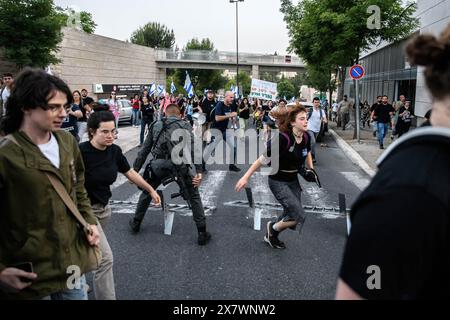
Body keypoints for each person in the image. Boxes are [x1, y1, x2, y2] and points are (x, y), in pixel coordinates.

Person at [336, 24, 450, 300]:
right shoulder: (408, 193)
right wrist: (374, 119)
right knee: (382, 133)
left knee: (384, 133)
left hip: (392, 127)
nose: (391, 99)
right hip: (387, 129)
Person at [0, 68, 100, 300]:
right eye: (53, 107)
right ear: (26, 107)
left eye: (65, 106)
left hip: (72, 265)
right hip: (29, 273)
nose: (63, 113)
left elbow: (78, 189)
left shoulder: (67, 142)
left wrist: (89, 221)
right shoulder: (6, 155)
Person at [80, 110, 160, 300]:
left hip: (103, 209)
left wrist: (150, 189)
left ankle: (78, 283)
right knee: (105, 259)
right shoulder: (80, 152)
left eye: (113, 131)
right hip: (83, 212)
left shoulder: (114, 151)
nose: (110, 136)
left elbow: (130, 173)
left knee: (85, 249)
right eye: (105, 132)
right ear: (92, 131)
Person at [235, 104, 316, 249]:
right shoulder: (283, 139)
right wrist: (246, 177)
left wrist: (311, 170)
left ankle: (271, 236)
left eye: (306, 118)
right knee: (299, 216)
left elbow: (307, 151)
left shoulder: (306, 137)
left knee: (290, 213)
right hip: (278, 181)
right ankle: (272, 228)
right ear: (292, 122)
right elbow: (263, 159)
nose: (306, 121)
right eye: (302, 119)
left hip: (293, 180)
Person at [129, 104, 211, 246]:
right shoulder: (185, 125)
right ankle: (202, 232)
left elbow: (144, 150)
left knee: (148, 191)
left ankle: (136, 222)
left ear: (165, 114)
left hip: (158, 166)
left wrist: (134, 170)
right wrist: (199, 171)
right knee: (194, 196)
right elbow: (194, 150)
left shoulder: (156, 124)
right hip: (180, 166)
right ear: (180, 114)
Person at [214, 91, 241, 172]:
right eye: (231, 97)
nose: (232, 99)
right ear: (226, 97)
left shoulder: (230, 105)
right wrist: (230, 115)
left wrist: (234, 123)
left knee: (234, 147)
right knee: (210, 149)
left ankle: (231, 166)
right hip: (216, 130)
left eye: (233, 97)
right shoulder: (220, 104)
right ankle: (202, 166)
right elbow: (217, 118)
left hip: (225, 130)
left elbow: (232, 116)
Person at [307, 97, 327, 163]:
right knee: (313, 142)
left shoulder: (322, 111)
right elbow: (305, 117)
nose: (316, 103)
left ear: (319, 103)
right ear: (313, 103)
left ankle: (307, 152)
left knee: (311, 143)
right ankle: (313, 157)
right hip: (309, 128)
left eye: (317, 102)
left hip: (317, 130)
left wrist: (324, 120)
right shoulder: (310, 110)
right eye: (315, 102)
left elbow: (325, 119)